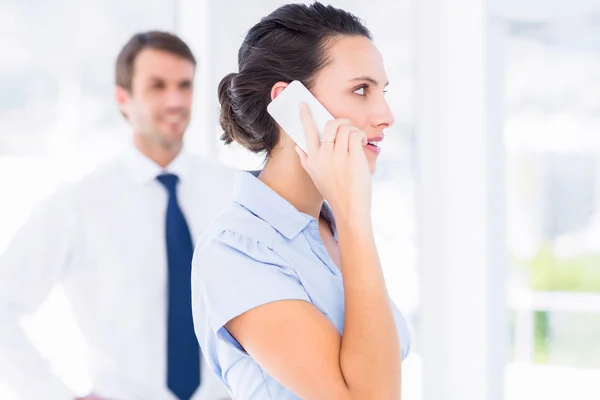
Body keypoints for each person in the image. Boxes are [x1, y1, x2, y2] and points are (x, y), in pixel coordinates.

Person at [191, 3, 411, 400]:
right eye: (361, 90)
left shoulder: (336, 229)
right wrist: (354, 214)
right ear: (291, 104)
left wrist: (349, 218)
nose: (385, 115)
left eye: (383, 92)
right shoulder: (235, 252)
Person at [0, 31, 233, 400]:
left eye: (184, 85)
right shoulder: (78, 204)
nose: (175, 100)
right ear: (122, 98)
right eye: (157, 86)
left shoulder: (232, 192)